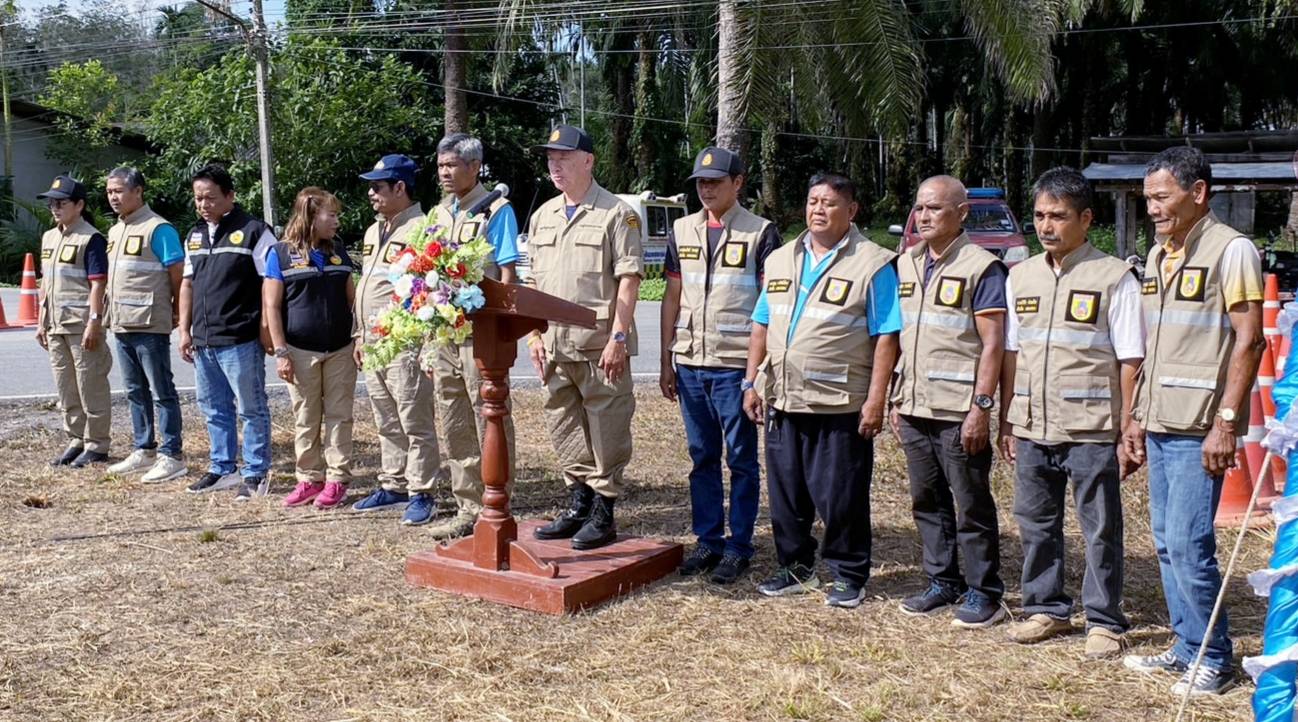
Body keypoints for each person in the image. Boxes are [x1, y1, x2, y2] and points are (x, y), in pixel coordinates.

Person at [1121, 147, 1265, 696]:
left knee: (1188, 544)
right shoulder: (1159, 254)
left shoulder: (1232, 251)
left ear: (1197, 192)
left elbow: (1249, 340)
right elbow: (1157, 347)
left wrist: (1226, 423)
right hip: (1159, 421)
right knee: (1165, 542)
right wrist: (1135, 416)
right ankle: (1187, 648)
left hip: (1199, 426)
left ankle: (1215, 658)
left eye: (1161, 196)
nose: (1152, 207)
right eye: (1148, 198)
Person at [998, 167, 1141, 659]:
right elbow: (1012, 352)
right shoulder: (1021, 276)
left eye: (1057, 216)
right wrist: (1008, 418)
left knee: (1099, 525)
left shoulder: (1114, 277)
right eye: (1039, 215)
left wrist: (1126, 423)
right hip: (1033, 422)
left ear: (1085, 218)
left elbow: (1130, 358)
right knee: (1035, 521)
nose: (1046, 225)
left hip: (1092, 427)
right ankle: (1046, 607)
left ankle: (1104, 619)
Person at [742, 173, 900, 609]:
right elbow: (761, 322)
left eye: (829, 203)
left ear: (851, 211)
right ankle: (795, 567)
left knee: (840, 494)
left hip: (839, 402)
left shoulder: (873, 263)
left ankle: (849, 574)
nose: (818, 209)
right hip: (783, 397)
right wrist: (751, 380)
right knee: (787, 491)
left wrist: (876, 398)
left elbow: (887, 334)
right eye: (812, 201)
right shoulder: (780, 259)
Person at [890, 175, 1007, 627]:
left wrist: (981, 407)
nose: (923, 217)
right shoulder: (907, 264)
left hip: (958, 410)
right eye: (919, 208)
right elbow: (901, 338)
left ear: (961, 214)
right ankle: (942, 580)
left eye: (934, 208)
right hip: (915, 405)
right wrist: (898, 400)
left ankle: (984, 592)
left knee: (971, 502)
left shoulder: (982, 267)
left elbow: (993, 344)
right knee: (927, 499)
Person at [660, 146, 780, 584]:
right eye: (701, 183)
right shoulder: (681, 228)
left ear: (738, 183)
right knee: (702, 456)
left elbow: (768, 306)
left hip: (734, 367)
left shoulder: (761, 232)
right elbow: (672, 296)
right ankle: (708, 540)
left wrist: (755, 375)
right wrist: (667, 359)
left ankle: (739, 545)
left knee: (743, 459)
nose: (706, 189)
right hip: (691, 361)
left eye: (715, 182)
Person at [526, 125, 644, 550]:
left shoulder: (617, 213)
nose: (555, 165)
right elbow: (535, 284)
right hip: (554, 345)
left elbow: (629, 281)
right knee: (564, 425)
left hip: (599, 346)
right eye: (550, 158)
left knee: (607, 428)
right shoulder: (542, 216)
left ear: (588, 160)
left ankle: (604, 510)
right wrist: (534, 336)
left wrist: (618, 337)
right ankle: (578, 503)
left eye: (564, 156)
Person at [428, 133, 521, 539]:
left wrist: (505, 322)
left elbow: (507, 271)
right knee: (453, 421)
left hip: (479, 333)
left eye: (451, 165)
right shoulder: (439, 213)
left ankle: (496, 499)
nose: (444, 173)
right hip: (444, 334)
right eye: (440, 166)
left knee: (489, 419)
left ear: (474, 166)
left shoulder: (496, 211)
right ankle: (467, 506)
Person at [349, 154, 448, 525]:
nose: (372, 194)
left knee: (413, 418)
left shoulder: (423, 228)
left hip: (406, 341)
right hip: (373, 340)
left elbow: (433, 290)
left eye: (378, 187)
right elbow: (368, 285)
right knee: (385, 417)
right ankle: (393, 484)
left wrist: (428, 346)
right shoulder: (374, 230)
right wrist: (360, 334)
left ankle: (421, 490)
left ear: (400, 188)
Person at [179, 164, 276, 500]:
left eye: (210, 197)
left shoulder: (254, 230)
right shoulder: (193, 234)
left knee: (251, 408)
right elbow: (187, 284)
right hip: (205, 339)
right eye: (198, 199)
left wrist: (265, 326)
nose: (203, 204)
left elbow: (271, 283)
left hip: (240, 337)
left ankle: (256, 473)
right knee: (213, 407)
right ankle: (223, 468)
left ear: (230, 196)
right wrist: (184, 329)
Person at [264, 188, 357, 510]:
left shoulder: (339, 251)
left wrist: (358, 338)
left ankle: (336, 480)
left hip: (340, 349)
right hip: (300, 351)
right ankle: (309, 478)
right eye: (330, 214)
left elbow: (351, 300)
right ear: (310, 216)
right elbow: (272, 307)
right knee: (306, 417)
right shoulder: (279, 254)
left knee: (339, 416)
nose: (336, 220)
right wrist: (281, 352)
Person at [103, 167, 188, 483]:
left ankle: (172, 454)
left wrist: (179, 311)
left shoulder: (159, 228)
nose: (113, 197)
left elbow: (177, 275)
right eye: (110, 191)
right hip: (122, 322)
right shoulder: (116, 231)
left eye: (119, 191)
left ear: (138, 191)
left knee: (161, 390)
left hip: (150, 322)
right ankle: (144, 448)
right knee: (134, 389)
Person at [35, 174, 112, 468]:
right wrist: (41, 321)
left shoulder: (90, 238)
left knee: (90, 385)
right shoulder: (49, 236)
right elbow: (46, 282)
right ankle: (76, 439)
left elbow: (98, 284)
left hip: (81, 325)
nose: (55, 208)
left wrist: (95, 321)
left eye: (61, 202)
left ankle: (97, 444)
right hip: (55, 325)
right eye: (51, 203)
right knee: (66, 387)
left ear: (79, 205)